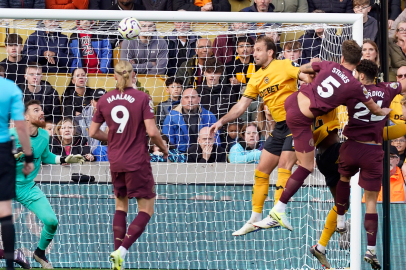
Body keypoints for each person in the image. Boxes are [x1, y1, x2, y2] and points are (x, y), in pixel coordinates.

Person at [266, 42, 390, 233]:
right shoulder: (356, 86)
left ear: (341, 58)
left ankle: (280, 210)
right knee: (307, 166)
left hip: (291, 101)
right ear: (358, 64)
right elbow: (374, 109)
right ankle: (278, 209)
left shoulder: (329, 65)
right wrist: (385, 111)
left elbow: (304, 68)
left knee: (301, 161)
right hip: (302, 117)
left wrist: (311, 72)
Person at [308, 61, 406, 268]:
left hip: (331, 153)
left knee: (341, 197)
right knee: (369, 200)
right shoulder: (384, 89)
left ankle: (323, 244)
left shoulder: (344, 92)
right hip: (351, 151)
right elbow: (399, 88)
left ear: (360, 75)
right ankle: (370, 249)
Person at [209, 36, 309, 236]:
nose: (253, 53)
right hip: (279, 126)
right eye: (254, 50)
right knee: (261, 171)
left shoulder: (284, 65)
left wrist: (307, 92)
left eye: (258, 50)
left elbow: (305, 76)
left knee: (284, 166)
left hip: (296, 122)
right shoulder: (255, 77)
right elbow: (241, 106)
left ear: (270, 52)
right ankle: (255, 218)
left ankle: (277, 214)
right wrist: (220, 122)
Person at [88, 60, 168, 270]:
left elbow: (93, 132)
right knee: (147, 209)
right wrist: (164, 148)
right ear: (134, 75)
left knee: (121, 205)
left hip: (115, 161)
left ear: (114, 76)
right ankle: (121, 251)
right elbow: (152, 132)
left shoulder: (104, 100)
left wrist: (112, 139)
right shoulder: (142, 97)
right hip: (137, 161)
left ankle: (117, 260)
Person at [10, 100, 84, 269]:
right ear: (26, 117)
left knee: (51, 221)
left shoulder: (44, 135)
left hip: (26, 188)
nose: (41, 112)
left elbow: (46, 156)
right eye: (36, 110)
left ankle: (40, 253)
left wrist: (64, 159)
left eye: (41, 109)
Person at [0, 76, 33, 270]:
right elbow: (20, 127)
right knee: (5, 212)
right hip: (3, 151)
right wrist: (28, 157)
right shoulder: (11, 88)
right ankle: (10, 266)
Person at [163, 88, 219, 153]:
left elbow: (216, 140)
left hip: (205, 155)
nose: (190, 100)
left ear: (199, 99)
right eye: (186, 97)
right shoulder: (171, 117)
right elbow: (168, 142)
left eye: (193, 97)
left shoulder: (209, 116)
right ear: (181, 100)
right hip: (180, 157)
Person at [74, 89, 108, 154]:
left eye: (103, 101)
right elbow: (78, 142)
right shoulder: (80, 119)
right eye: (97, 101)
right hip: (85, 156)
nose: (100, 104)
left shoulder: (114, 119)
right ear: (92, 102)